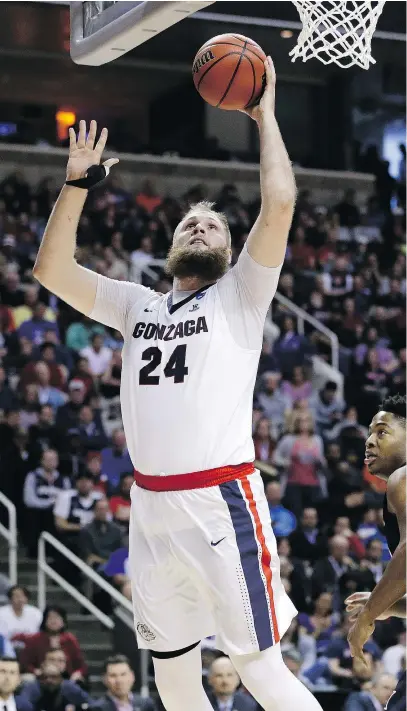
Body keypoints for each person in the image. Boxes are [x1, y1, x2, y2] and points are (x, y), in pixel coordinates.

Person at [33, 58, 323, 711]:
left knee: (257, 666)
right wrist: (76, 185)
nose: (199, 225)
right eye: (188, 222)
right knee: (168, 672)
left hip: (221, 499)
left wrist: (264, 112)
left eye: (213, 225)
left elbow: (279, 202)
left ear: (227, 250)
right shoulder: (138, 303)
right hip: (152, 504)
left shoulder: (241, 296)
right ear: (168, 247)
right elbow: (51, 269)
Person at [346, 395, 406, 711]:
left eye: (382, 432)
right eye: (370, 432)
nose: (369, 441)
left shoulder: (403, 477)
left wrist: (367, 617)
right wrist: (389, 606)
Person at [19, 606, 87, 682]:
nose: (53, 621)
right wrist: (35, 671)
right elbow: (24, 663)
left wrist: (77, 673)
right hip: (40, 677)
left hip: (66, 678)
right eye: (50, 618)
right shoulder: (35, 639)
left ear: (63, 622)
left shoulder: (70, 639)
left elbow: (81, 665)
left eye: (57, 618)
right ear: (45, 621)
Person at [92, 655, 156, 711]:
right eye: (113, 675)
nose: (119, 680)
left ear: (132, 676)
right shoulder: (97, 708)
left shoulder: (146, 705)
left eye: (123, 674)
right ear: (104, 679)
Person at [21, 661, 90, 711]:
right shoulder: (33, 689)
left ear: (61, 678)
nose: (49, 680)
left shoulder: (68, 687)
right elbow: (22, 705)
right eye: (45, 677)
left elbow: (90, 702)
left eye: (54, 677)